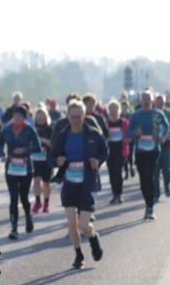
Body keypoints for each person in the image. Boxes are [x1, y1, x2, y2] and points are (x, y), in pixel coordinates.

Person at [49, 99, 106, 269]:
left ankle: (93, 237)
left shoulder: (93, 134)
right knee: (71, 223)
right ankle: (78, 254)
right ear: (68, 116)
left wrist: (98, 160)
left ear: (84, 115)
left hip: (87, 184)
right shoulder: (62, 136)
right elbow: (51, 158)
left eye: (79, 116)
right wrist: (57, 161)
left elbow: (105, 152)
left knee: (83, 225)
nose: (76, 119)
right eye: (73, 116)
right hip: (69, 184)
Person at [0, 104, 42, 240]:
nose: (16, 118)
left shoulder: (29, 129)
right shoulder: (7, 129)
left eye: (19, 116)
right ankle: (14, 228)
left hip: (26, 168)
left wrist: (25, 150)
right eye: (15, 116)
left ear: (24, 117)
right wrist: (2, 154)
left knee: (24, 197)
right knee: (13, 198)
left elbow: (38, 148)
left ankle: (28, 216)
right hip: (11, 168)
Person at [128, 90, 170, 220]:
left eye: (148, 98)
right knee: (143, 181)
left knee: (150, 176)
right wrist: (136, 133)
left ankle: (150, 208)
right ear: (140, 100)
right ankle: (148, 203)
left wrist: (161, 136)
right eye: (144, 98)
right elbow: (128, 133)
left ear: (152, 101)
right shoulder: (135, 115)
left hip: (153, 150)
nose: (146, 101)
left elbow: (166, 127)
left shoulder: (158, 114)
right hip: (140, 150)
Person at [153, 94, 170, 200]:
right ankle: (156, 193)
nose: (160, 104)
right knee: (155, 171)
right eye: (158, 102)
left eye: (161, 102)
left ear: (164, 103)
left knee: (166, 170)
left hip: (167, 145)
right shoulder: (151, 114)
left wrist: (168, 136)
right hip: (154, 146)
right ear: (155, 102)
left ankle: (167, 185)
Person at [105, 99, 129, 204]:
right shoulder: (105, 123)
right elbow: (102, 137)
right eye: (111, 108)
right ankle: (114, 194)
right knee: (111, 173)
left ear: (118, 109)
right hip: (109, 150)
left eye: (115, 108)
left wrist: (127, 139)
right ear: (108, 109)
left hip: (120, 149)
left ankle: (119, 194)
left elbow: (129, 135)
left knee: (118, 172)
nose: (113, 110)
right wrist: (107, 136)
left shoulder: (123, 122)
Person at [31, 107, 53, 213]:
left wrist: (44, 140)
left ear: (46, 117)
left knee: (46, 183)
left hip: (47, 160)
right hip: (35, 160)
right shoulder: (31, 129)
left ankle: (46, 203)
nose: (40, 119)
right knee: (36, 181)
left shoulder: (50, 129)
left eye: (42, 117)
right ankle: (38, 201)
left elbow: (54, 144)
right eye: (38, 117)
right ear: (35, 118)